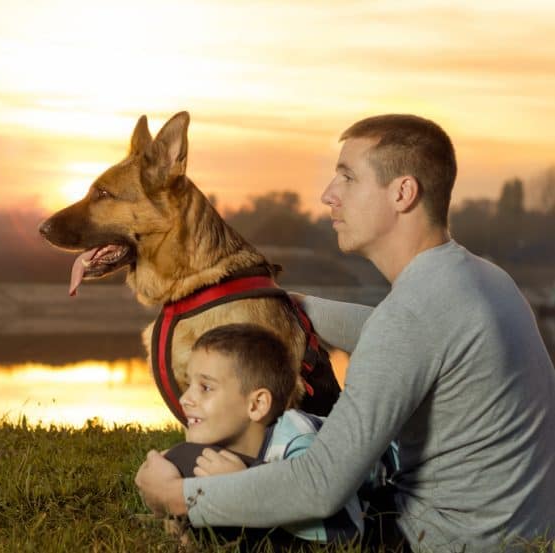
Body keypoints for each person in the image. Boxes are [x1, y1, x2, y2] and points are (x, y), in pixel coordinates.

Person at [135, 114, 555, 552]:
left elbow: (320, 485)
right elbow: (386, 332)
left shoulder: (412, 316)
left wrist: (181, 497)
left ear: (402, 193)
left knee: (191, 465)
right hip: (523, 529)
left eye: (348, 178)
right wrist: (275, 302)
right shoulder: (481, 279)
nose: (328, 196)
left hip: (442, 541)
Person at [162, 323, 365, 548]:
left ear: (257, 404)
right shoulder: (227, 438)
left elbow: (348, 530)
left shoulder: (299, 443)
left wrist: (246, 484)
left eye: (206, 387)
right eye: (189, 384)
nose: (185, 399)